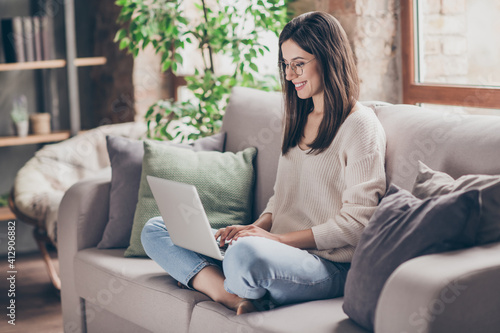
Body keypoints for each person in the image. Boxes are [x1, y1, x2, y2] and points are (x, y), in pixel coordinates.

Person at [141, 11, 387, 315]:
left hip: (327, 264)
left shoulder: (360, 126)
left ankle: (203, 276)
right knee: (155, 228)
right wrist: (254, 228)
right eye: (285, 65)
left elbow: (358, 225)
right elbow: (281, 199)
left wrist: (274, 240)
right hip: (274, 248)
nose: (289, 75)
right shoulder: (298, 117)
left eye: (299, 64)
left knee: (244, 257)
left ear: (329, 58)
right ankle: (228, 293)